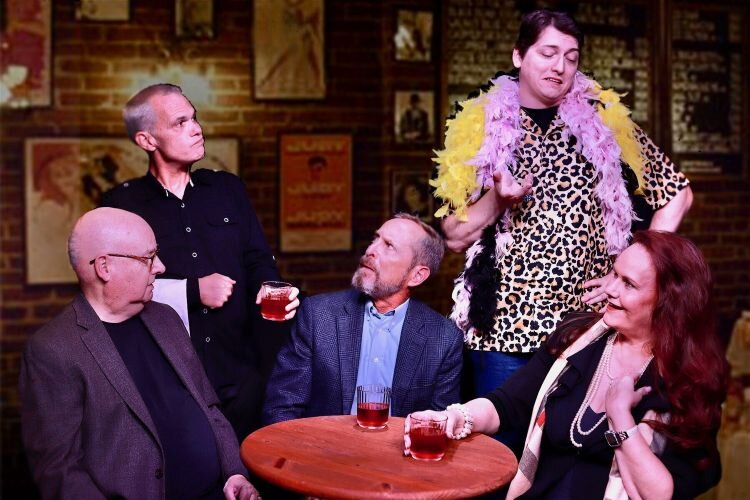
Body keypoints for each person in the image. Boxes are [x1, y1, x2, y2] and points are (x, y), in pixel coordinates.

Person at [432, 9, 693, 400]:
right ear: (519, 55)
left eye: (571, 58)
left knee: (576, 437)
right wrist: (498, 199)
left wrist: (632, 270)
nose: (560, 67)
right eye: (548, 53)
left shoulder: (605, 121)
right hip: (502, 331)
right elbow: (453, 236)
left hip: (586, 327)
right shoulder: (479, 124)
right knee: (500, 436)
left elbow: (677, 194)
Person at [405, 231, 728, 499]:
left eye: (628, 284)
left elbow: (664, 493)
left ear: (668, 302)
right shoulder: (576, 336)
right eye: (614, 274)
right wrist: (453, 417)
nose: (610, 289)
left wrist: (621, 418)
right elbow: (507, 404)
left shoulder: (689, 382)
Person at [101, 83, 299, 440]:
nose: (196, 128)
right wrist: (193, 291)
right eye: (180, 123)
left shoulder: (228, 189)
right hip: (171, 382)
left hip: (242, 375)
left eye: (195, 118)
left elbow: (258, 258)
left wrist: (269, 287)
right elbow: (112, 289)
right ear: (147, 140)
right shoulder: (121, 205)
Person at [19, 207, 259, 500]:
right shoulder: (54, 349)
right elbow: (59, 470)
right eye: (148, 257)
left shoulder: (166, 318)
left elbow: (209, 407)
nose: (160, 267)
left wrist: (234, 472)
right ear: (104, 267)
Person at [262, 214, 463, 424]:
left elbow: (439, 425)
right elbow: (281, 407)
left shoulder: (443, 339)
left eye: (389, 246)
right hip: (323, 443)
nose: (371, 250)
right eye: (375, 239)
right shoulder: (318, 315)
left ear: (417, 275)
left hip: (398, 445)